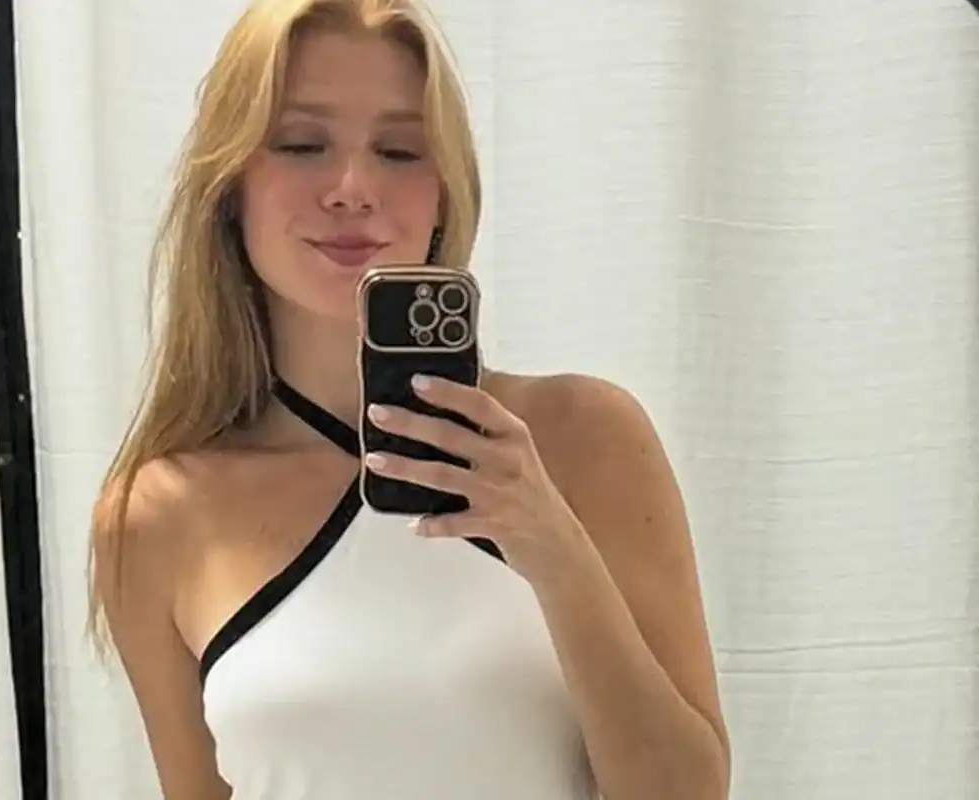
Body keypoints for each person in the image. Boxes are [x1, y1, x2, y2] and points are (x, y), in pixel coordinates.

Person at [88, 1, 730, 798]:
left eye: (398, 151)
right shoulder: (156, 515)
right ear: (229, 188)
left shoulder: (585, 440)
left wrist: (555, 550)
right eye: (302, 144)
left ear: (445, 194)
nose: (353, 189)